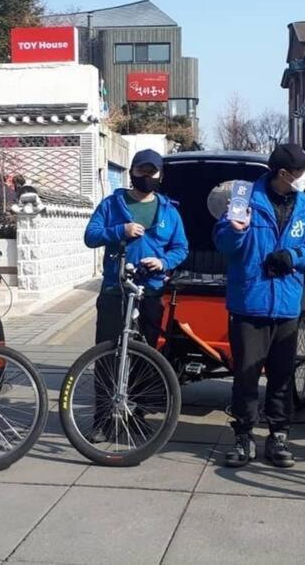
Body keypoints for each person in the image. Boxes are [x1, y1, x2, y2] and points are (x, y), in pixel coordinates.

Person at [213, 143, 305, 468]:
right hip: (250, 302)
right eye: (300, 172)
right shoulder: (243, 197)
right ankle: (243, 435)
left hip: (287, 304)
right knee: (246, 376)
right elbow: (223, 241)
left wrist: (294, 256)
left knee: (282, 376)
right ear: (283, 174)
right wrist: (236, 232)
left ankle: (278, 435)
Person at [83, 149, 189, 441]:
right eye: (142, 171)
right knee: (107, 354)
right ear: (132, 173)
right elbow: (90, 235)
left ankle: (137, 415)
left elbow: (181, 248)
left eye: (152, 172)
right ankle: (102, 419)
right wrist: (121, 229)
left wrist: (163, 262)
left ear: (160, 175)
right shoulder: (112, 204)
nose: (147, 177)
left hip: (151, 291)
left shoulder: (169, 210)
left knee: (146, 355)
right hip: (115, 290)